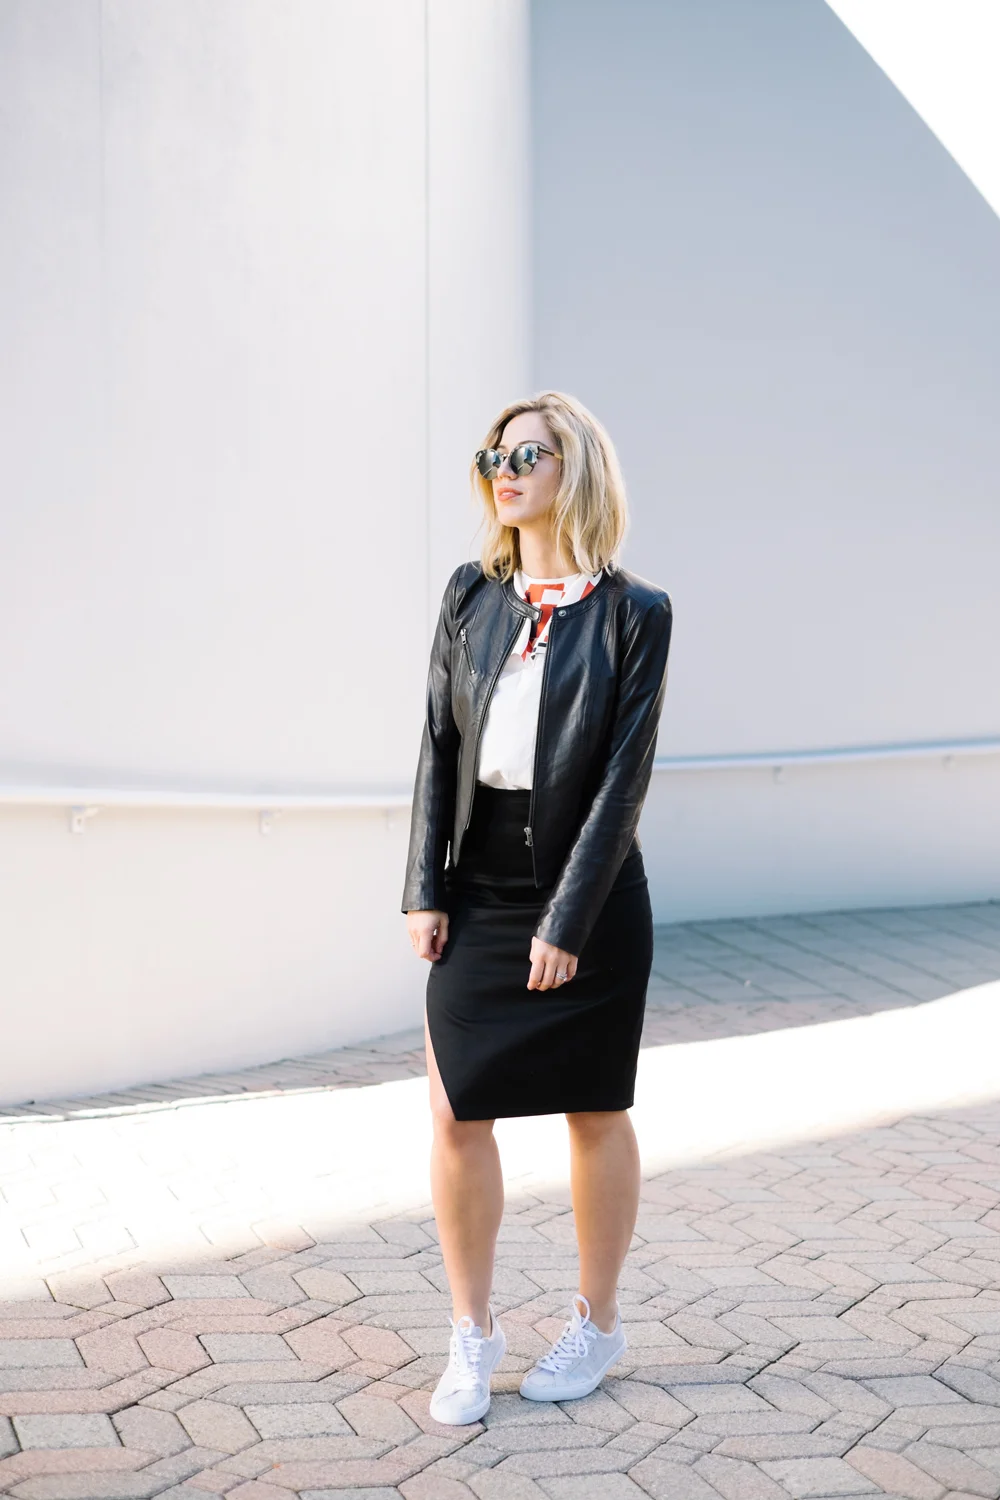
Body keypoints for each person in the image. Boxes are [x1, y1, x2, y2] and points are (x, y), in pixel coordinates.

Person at [401, 390, 672, 1425]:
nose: (503, 473)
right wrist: (425, 886)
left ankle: (596, 1323)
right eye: (493, 458)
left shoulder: (635, 613)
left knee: (594, 1107)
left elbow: (622, 781)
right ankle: (472, 1333)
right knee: (454, 1108)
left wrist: (569, 918)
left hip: (587, 889)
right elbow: (437, 744)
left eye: (526, 456)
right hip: (478, 886)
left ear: (576, 471)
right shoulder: (471, 594)